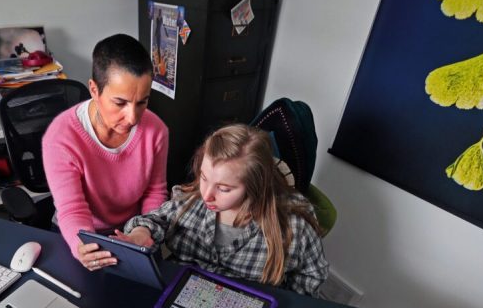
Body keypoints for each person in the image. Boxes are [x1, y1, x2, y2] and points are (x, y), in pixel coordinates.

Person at [119, 124, 329, 296]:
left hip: (247, 305)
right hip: (182, 291)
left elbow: (311, 275)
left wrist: (285, 307)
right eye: (203, 177)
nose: (207, 194)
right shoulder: (191, 200)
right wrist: (140, 233)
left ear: (255, 185)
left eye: (224, 188)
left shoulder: (293, 225)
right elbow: (157, 219)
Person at [42, 34, 169, 270]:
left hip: (132, 230)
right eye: (120, 103)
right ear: (94, 89)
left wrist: (143, 230)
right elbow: (72, 209)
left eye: (142, 102)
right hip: (80, 234)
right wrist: (85, 248)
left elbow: (155, 191)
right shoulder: (60, 137)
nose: (132, 117)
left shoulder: (157, 131)